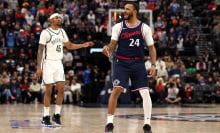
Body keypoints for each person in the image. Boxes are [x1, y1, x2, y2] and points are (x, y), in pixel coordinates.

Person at [102, 2, 156, 133]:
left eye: (127, 9)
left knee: (145, 92)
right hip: (121, 63)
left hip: (138, 63)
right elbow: (113, 45)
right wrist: (107, 49)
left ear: (135, 11)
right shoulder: (118, 27)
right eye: (124, 9)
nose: (124, 11)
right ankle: (109, 122)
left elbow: (151, 48)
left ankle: (147, 124)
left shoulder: (145, 28)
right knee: (116, 90)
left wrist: (153, 64)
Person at [36, 13, 94, 126]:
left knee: (62, 88)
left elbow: (69, 45)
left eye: (60, 18)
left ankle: (57, 115)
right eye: (56, 18)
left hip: (58, 63)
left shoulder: (62, 32)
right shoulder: (45, 33)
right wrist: (39, 67)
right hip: (48, 63)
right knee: (49, 90)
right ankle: (45, 116)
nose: (59, 19)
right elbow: (40, 50)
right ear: (51, 19)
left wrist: (83, 45)